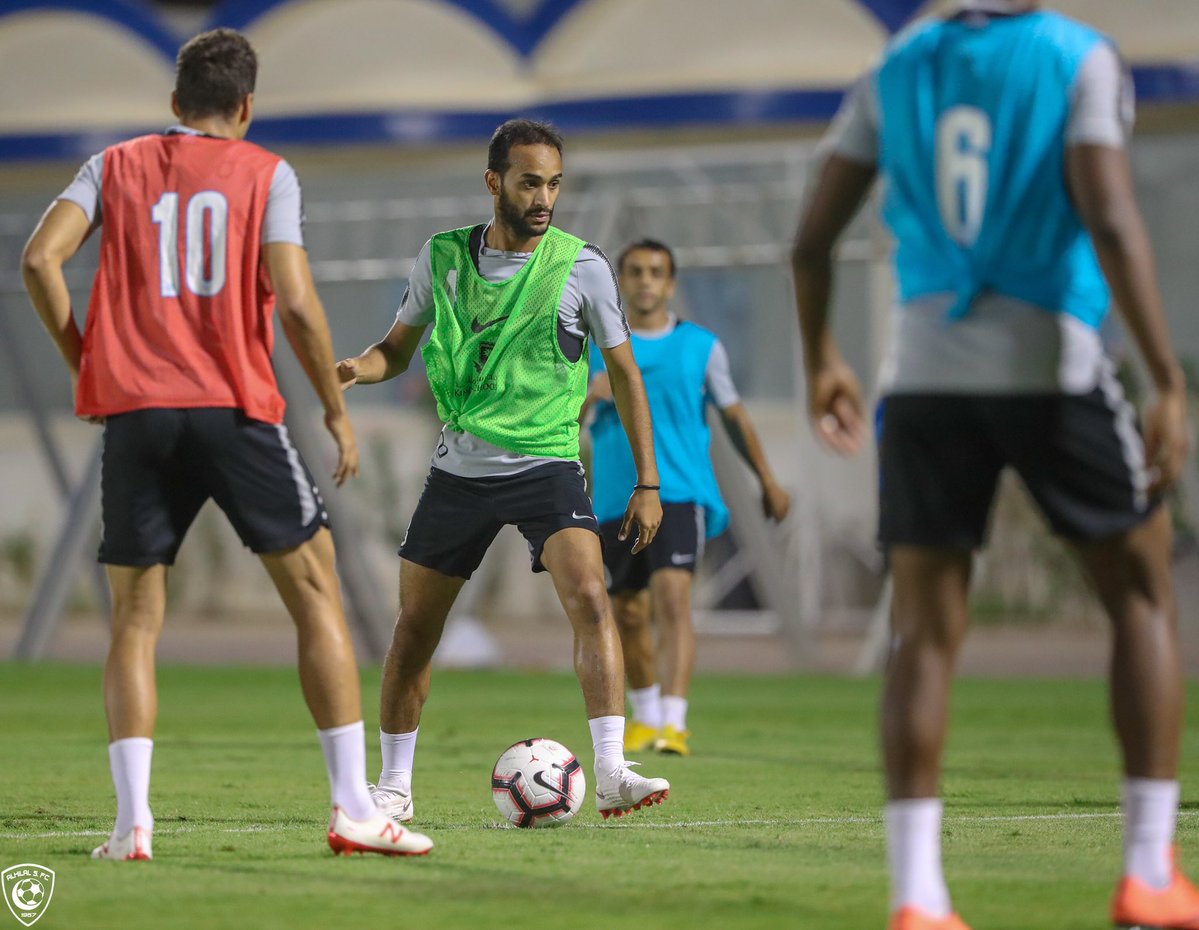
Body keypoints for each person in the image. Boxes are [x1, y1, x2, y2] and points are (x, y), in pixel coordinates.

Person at [790, 2, 1195, 928]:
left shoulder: (894, 67)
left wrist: (821, 357)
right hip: (1049, 365)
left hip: (923, 375)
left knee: (924, 632)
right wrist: (1166, 376)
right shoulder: (1075, 56)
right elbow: (1111, 214)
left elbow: (811, 240)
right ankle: (1147, 872)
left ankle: (918, 897)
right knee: (1139, 593)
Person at [21, 28, 431, 860]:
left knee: (134, 620)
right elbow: (298, 303)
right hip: (233, 406)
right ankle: (353, 806)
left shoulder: (113, 166)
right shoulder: (265, 172)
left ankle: (131, 824)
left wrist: (91, 363)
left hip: (135, 415)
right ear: (246, 107)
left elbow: (39, 261)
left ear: (174, 104)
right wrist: (334, 407)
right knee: (316, 595)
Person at [337, 118, 671, 823]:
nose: (543, 196)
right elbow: (395, 350)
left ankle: (610, 770)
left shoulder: (582, 266)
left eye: (552, 183)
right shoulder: (442, 258)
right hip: (459, 469)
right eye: (529, 182)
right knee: (412, 633)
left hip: (547, 463)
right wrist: (358, 369)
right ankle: (394, 786)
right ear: (494, 182)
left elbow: (626, 375)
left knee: (588, 594)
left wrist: (648, 483)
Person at [584, 239, 791, 757]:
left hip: (680, 492)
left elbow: (734, 416)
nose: (645, 280)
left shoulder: (702, 347)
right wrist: (591, 394)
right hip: (615, 497)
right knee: (627, 611)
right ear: (621, 283)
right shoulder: (594, 349)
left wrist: (766, 479)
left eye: (656, 272)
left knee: (674, 598)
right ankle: (645, 716)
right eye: (634, 271)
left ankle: (674, 722)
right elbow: (565, 419)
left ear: (671, 284)